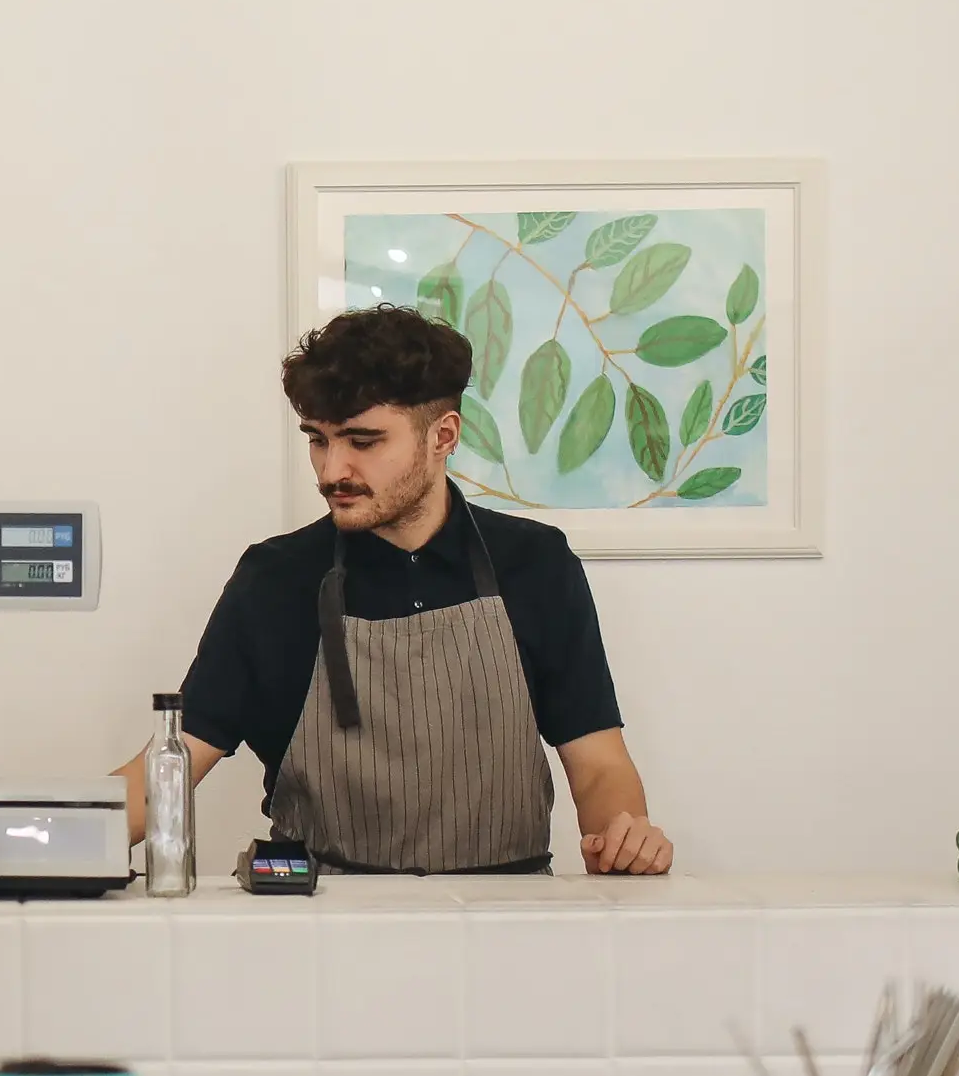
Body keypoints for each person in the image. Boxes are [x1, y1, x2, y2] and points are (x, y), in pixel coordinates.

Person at [121, 305, 672, 875]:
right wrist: (53, 835)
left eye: (363, 440)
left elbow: (599, 763)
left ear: (443, 436)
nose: (333, 469)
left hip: (508, 918)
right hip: (319, 923)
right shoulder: (275, 578)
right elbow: (173, 762)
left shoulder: (535, 564)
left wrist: (623, 839)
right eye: (319, 440)